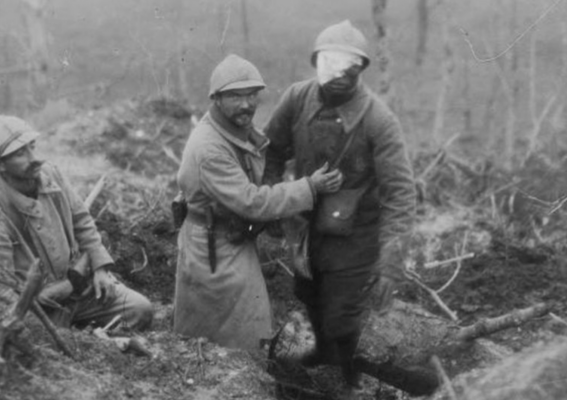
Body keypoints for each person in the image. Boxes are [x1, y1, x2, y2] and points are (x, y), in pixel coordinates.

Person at [263, 20, 417, 391]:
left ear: (361, 69)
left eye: (348, 66)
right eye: (329, 63)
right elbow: (270, 150)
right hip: (306, 227)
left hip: (356, 237)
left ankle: (347, 381)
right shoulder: (297, 99)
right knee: (310, 295)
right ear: (317, 62)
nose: (338, 74)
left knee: (341, 316)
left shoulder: (379, 120)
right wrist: (271, 199)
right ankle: (323, 355)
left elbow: (400, 194)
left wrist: (391, 266)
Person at [173, 54, 343, 350]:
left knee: (244, 325)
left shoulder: (235, 129)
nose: (246, 104)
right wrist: (309, 188)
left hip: (229, 237)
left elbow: (261, 157)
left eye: (252, 95)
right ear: (216, 99)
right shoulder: (209, 147)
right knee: (217, 335)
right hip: (212, 246)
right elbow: (251, 202)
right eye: (236, 96)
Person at [0, 115, 153, 331]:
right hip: (37, 310)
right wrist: (41, 307)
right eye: (20, 153)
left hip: (80, 289)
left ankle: (95, 335)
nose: (34, 158)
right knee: (48, 342)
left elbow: (81, 220)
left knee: (139, 310)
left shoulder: (49, 174)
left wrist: (100, 268)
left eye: (32, 147)